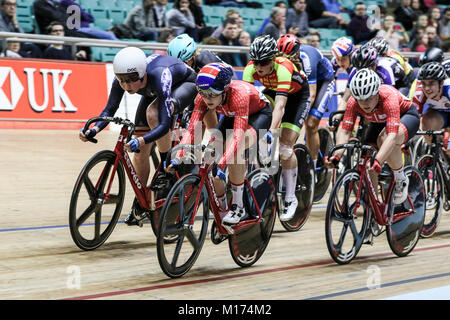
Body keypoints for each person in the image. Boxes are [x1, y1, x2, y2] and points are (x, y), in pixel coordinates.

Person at [79, 47, 198, 226]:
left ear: (142, 74)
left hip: (183, 85)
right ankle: (141, 201)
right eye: (122, 81)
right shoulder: (123, 79)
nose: (126, 86)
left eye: (131, 80)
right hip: (152, 91)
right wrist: (94, 130)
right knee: (140, 151)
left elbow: (164, 124)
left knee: (153, 114)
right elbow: (109, 110)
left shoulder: (159, 75)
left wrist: (141, 139)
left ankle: (166, 166)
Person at [167, 63, 272, 225]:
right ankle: (222, 210)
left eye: (211, 94)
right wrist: (178, 156)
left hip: (259, 114)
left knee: (233, 153)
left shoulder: (239, 96)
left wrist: (222, 164)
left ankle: (238, 207)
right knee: (210, 160)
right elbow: (192, 130)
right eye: (203, 93)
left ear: (224, 91)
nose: (207, 98)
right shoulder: (202, 99)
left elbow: (237, 137)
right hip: (232, 115)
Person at [325, 68, 420, 205]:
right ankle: (374, 207)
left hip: (406, 116)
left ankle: (400, 178)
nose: (364, 104)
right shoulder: (353, 102)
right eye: (360, 99)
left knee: (384, 139)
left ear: (376, 93)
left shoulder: (388, 97)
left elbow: (392, 136)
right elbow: (345, 131)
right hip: (378, 122)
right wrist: (336, 155)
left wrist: (379, 160)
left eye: (369, 98)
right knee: (366, 158)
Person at [243, 35, 310, 221]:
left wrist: (271, 132)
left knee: (285, 148)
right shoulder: (250, 69)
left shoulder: (284, 69)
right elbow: (248, 103)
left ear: (273, 59)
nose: (259, 67)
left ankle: (290, 197)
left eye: (263, 62)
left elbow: (280, 107)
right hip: (273, 92)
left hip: (297, 99)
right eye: (256, 62)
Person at [277, 33, 335, 177]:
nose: (285, 60)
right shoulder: (279, 61)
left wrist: (299, 119)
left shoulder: (306, 60)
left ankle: (312, 170)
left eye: (288, 56)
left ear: (296, 53)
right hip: (302, 84)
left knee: (310, 124)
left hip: (323, 82)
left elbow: (312, 94)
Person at [412, 62, 450, 146]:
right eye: (424, 83)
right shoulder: (419, 94)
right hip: (438, 114)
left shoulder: (448, 89)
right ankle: (433, 149)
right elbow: (413, 118)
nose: (427, 88)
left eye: (431, 83)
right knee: (426, 121)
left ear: (441, 83)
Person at [328, 36, 355, 129]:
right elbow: (329, 84)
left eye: (343, 59)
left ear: (351, 56)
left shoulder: (357, 65)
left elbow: (346, 99)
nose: (339, 63)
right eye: (337, 59)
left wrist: (336, 119)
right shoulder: (334, 63)